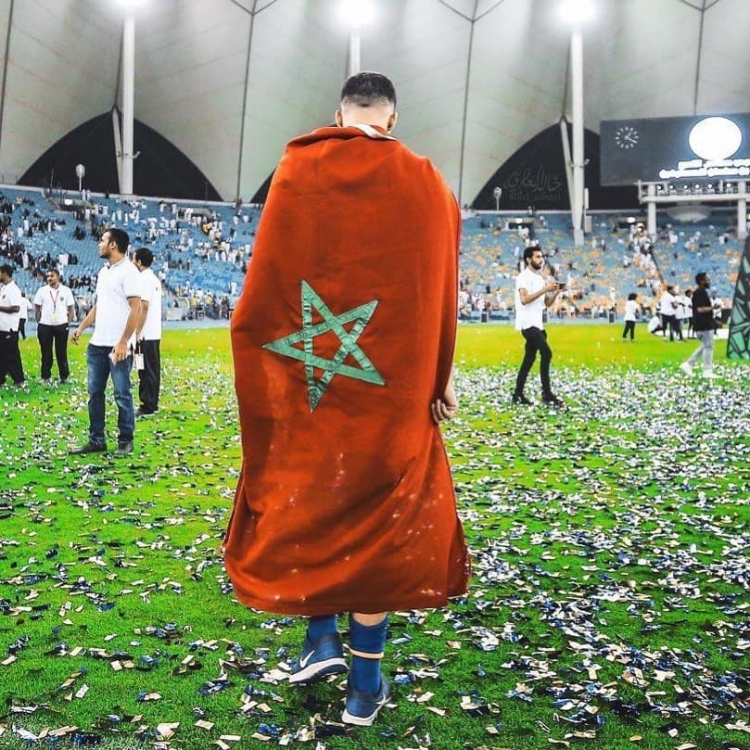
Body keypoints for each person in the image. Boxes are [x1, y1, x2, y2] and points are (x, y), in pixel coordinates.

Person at [224, 71, 469, 727]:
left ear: (338, 115)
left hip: (311, 381)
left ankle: (320, 639)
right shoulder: (427, 182)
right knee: (380, 524)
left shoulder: (297, 169)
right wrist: (442, 373)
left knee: (312, 498)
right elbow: (440, 285)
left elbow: (268, 286)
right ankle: (363, 685)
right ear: (392, 117)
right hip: (393, 393)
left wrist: (276, 368)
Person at [70, 228, 141, 456]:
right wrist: (81, 327)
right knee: (95, 394)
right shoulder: (104, 271)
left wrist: (123, 342)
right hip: (97, 344)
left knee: (122, 394)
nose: (99, 244)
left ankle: (125, 441)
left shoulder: (129, 271)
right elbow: (100, 305)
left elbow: (136, 308)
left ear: (113, 244)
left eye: (102, 240)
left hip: (117, 346)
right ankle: (96, 440)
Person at [511, 245, 563, 405]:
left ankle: (517, 394)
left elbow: (546, 303)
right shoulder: (523, 277)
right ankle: (547, 393)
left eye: (542, 257)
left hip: (538, 324)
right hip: (528, 324)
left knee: (529, 359)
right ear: (529, 259)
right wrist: (545, 288)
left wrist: (556, 292)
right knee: (547, 353)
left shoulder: (540, 279)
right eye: (538, 257)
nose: (542, 260)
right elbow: (524, 299)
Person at [133, 247, 162, 416]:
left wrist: (137, 331)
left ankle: (148, 404)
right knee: (147, 367)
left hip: (145, 333)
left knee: (146, 368)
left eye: (133, 259)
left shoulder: (143, 279)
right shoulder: (154, 279)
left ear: (139, 262)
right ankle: (150, 401)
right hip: (153, 332)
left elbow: (143, 306)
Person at [33, 269, 75, 383]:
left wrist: (68, 322)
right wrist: (39, 319)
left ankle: (64, 376)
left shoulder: (66, 291)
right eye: (48, 276)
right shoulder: (42, 291)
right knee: (46, 352)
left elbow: (71, 308)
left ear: (58, 277)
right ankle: (45, 376)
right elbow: (37, 306)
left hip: (61, 325)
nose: (49, 278)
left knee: (61, 352)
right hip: (45, 325)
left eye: (52, 276)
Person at [680, 272, 717, 379]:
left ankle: (688, 364)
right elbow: (700, 309)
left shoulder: (700, 292)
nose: (709, 281)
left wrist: (714, 321)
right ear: (702, 281)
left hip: (703, 323)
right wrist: (713, 308)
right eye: (707, 279)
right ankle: (707, 370)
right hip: (703, 324)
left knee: (705, 345)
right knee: (708, 346)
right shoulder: (700, 293)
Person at [0, 264, 26, 386]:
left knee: (12, 355)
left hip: (9, 328)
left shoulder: (13, 289)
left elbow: (16, 308)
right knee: (2, 355)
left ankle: (19, 380)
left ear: (4, 273)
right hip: (2, 328)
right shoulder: (4, 288)